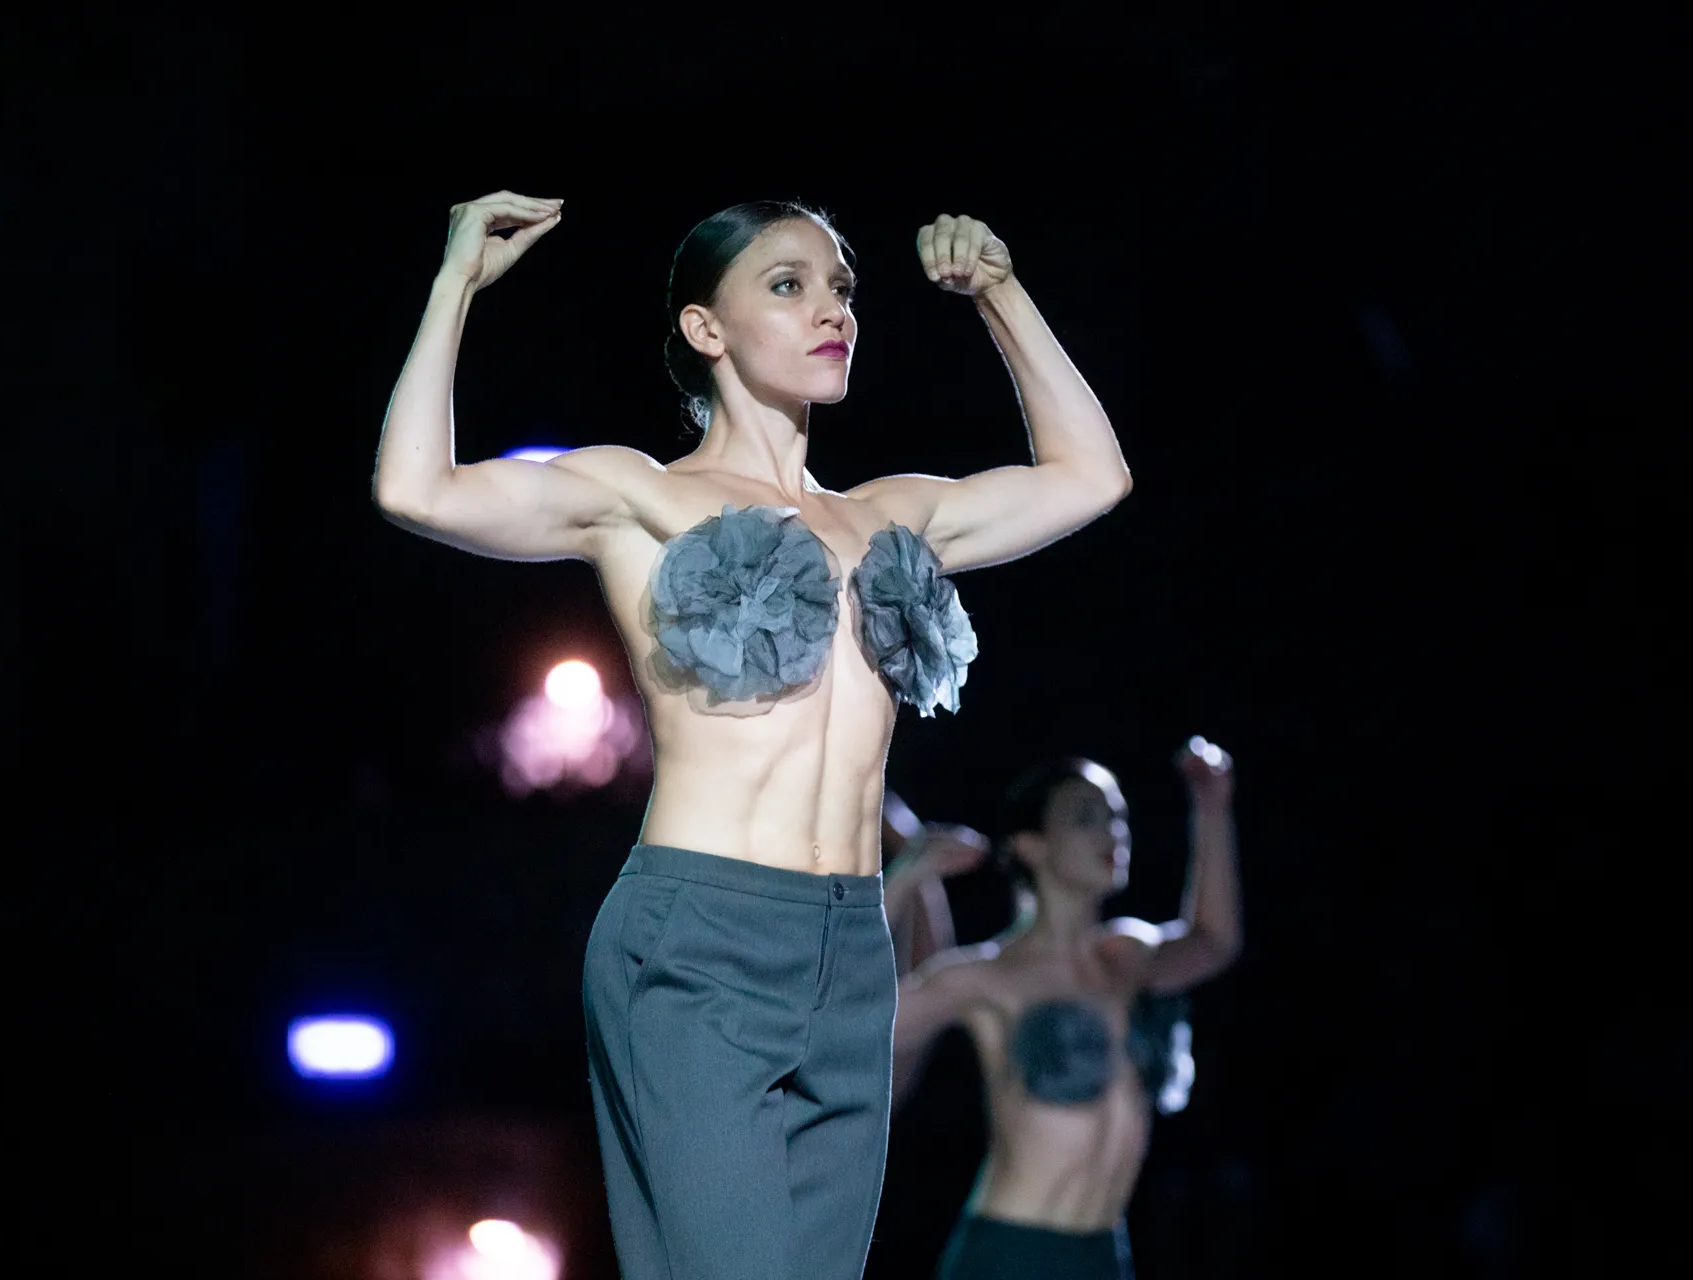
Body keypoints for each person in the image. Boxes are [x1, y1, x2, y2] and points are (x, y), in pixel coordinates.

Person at [370, 193, 1132, 1279]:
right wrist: (454, 285)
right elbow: (415, 488)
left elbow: (1093, 477)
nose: (832, 309)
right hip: (700, 939)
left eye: (842, 289)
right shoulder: (639, 493)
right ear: (705, 330)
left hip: (854, 951)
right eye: (788, 284)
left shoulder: (891, 513)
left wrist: (998, 294)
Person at [886, 740, 1243, 1280]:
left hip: (1102, 1254)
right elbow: (862, 1024)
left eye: (1118, 817)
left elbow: (1214, 940)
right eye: (1086, 817)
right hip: (1010, 1254)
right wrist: (904, 879)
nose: (1113, 832)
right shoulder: (986, 974)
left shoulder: (1128, 956)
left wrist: (1211, 805)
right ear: (1030, 845)